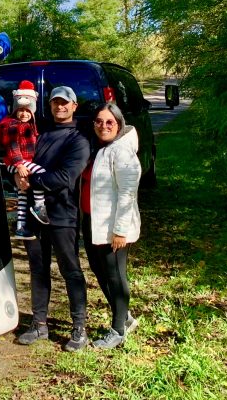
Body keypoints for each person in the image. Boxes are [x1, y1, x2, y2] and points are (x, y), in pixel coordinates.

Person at [14, 86, 90, 352]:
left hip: (62, 215)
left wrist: (30, 180)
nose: (60, 107)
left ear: (74, 106)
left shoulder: (78, 140)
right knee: (38, 269)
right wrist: (17, 175)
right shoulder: (40, 134)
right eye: (56, 102)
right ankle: (39, 324)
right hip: (35, 216)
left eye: (65, 103)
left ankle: (79, 328)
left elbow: (65, 178)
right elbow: (21, 159)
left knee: (70, 270)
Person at [81, 101, 142, 349]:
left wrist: (120, 231)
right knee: (99, 270)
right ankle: (124, 316)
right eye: (99, 121)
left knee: (116, 276)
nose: (103, 126)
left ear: (119, 124)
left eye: (109, 122)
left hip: (113, 229)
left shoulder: (122, 152)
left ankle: (118, 330)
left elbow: (128, 194)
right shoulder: (101, 149)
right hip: (93, 222)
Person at [0, 80, 49, 239]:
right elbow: (12, 146)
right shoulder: (12, 125)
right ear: (15, 110)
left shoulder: (29, 125)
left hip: (20, 163)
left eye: (27, 111)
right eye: (21, 110)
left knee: (22, 195)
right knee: (41, 172)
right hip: (14, 163)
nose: (24, 114)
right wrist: (19, 165)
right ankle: (39, 206)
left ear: (32, 112)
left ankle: (20, 227)